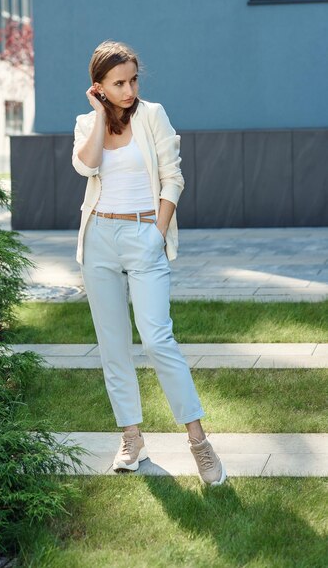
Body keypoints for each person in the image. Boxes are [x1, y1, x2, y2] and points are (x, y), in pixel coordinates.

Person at [72, 40, 226, 486]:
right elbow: (87, 167)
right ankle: (132, 437)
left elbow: (173, 177)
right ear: (98, 86)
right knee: (113, 344)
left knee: (158, 338)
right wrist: (100, 116)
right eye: (118, 83)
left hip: (144, 233)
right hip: (99, 236)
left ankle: (197, 440)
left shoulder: (152, 115)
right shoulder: (88, 122)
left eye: (133, 79)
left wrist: (157, 233)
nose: (129, 89)